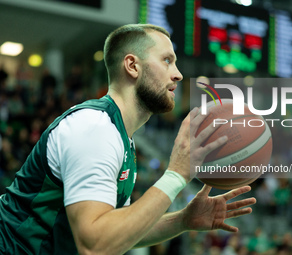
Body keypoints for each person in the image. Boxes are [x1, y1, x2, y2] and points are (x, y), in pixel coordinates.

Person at [0, 24, 256, 254]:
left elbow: (118, 231)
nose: (178, 74)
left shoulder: (121, 136)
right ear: (132, 66)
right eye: (167, 60)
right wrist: (177, 174)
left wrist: (182, 220)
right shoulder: (94, 129)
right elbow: (95, 245)